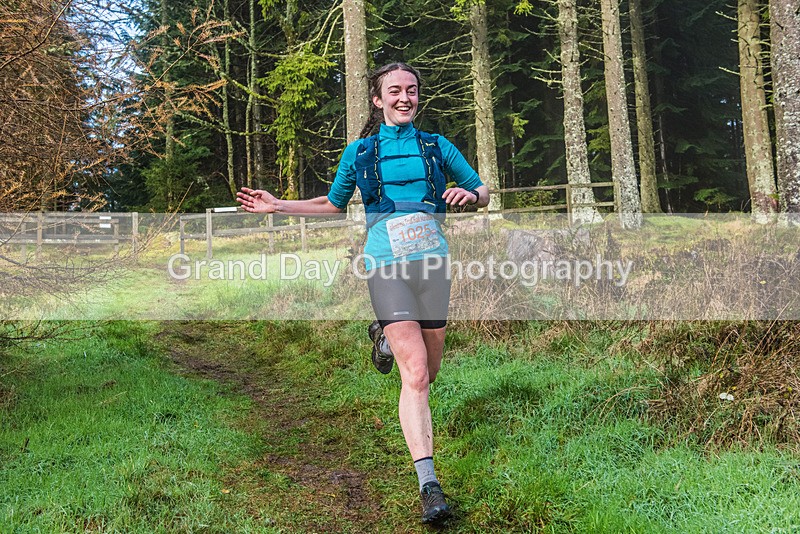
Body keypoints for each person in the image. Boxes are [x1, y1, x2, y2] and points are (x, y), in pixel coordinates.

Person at [236, 62, 488, 525]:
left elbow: (483, 191)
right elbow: (331, 204)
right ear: (378, 99)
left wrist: (468, 196)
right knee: (413, 375)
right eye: (395, 91)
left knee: (429, 371)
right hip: (385, 265)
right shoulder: (361, 152)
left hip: (433, 266)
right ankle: (429, 484)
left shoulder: (437, 146)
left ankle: (382, 334)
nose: (405, 98)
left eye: (411, 90)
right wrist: (278, 204)